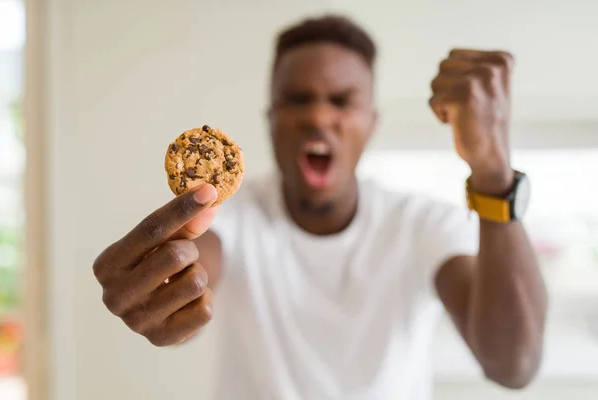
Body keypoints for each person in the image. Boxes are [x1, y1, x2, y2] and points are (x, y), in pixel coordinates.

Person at [93, 15, 548, 399]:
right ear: (270, 120)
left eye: (342, 101)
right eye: (297, 100)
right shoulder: (232, 216)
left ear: (371, 124)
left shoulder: (422, 225)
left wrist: (493, 175)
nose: (317, 117)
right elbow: (195, 265)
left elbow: (513, 363)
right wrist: (160, 288)